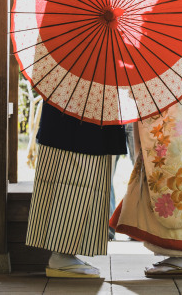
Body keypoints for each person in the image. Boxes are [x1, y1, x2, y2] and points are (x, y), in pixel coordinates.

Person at [110, 68, 182, 277]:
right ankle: (181, 254)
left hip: (173, 101)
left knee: (174, 178)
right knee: (172, 176)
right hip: (173, 97)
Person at [25, 101, 130, 278]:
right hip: (76, 115)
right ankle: (61, 255)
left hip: (83, 110)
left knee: (84, 181)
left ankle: (65, 254)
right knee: (73, 181)